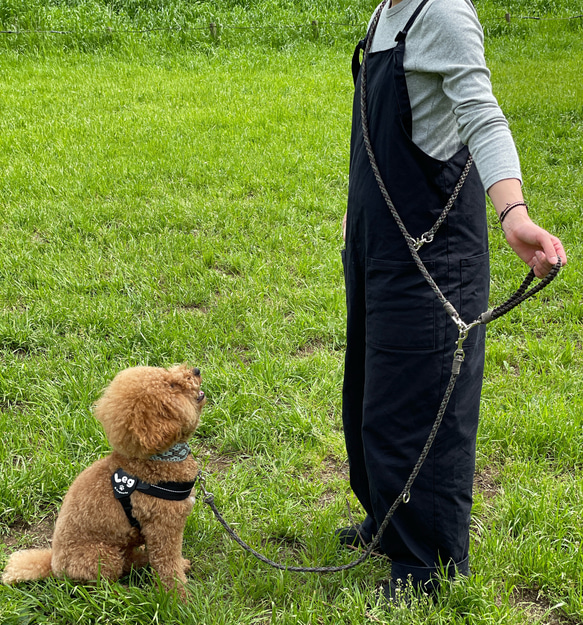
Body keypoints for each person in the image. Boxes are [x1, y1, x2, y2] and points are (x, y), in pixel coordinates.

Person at [338, 0, 567, 603]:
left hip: (432, 252)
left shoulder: (442, 12)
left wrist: (513, 215)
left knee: (420, 405)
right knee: (372, 393)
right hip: (378, 244)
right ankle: (386, 522)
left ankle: (428, 567)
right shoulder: (387, 13)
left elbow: (481, 115)